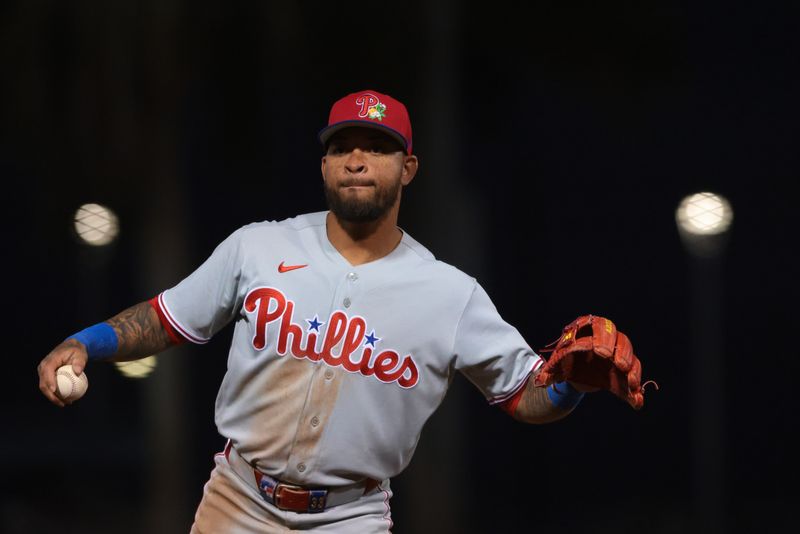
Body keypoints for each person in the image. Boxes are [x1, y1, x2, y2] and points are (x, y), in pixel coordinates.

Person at [37, 89, 596, 533]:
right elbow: (165, 318)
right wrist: (86, 341)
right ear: (324, 165)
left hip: (351, 516)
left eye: (377, 148)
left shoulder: (450, 292)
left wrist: (569, 386)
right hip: (237, 500)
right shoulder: (258, 247)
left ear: (409, 168)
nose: (357, 161)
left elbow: (524, 393)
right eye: (342, 148)